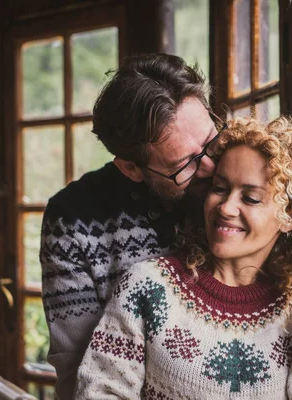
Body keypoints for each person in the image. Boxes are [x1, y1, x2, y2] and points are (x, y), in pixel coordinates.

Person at [74, 117, 292, 399]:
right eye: (220, 188)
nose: (227, 207)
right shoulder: (147, 286)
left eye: (250, 198)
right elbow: (100, 391)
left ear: (289, 216)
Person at [40, 54, 221, 400]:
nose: (211, 167)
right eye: (186, 163)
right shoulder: (73, 219)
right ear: (131, 168)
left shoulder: (237, 188)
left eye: (211, 141)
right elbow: (78, 371)